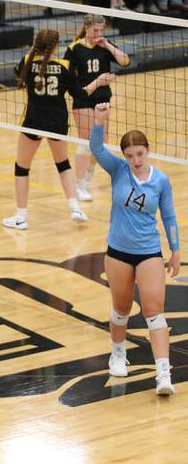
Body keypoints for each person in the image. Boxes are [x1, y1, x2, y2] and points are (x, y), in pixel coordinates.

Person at [90, 102, 180, 395]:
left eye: (139, 154)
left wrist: (175, 250)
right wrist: (99, 121)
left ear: (147, 151)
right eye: (130, 155)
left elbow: (168, 216)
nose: (135, 160)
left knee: (155, 312)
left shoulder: (160, 181)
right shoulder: (118, 170)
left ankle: (163, 375)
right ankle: (117, 354)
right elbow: (97, 149)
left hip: (149, 252)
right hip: (117, 252)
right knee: (122, 309)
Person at [1, 29, 114, 231]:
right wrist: (99, 81)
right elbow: (80, 94)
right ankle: (75, 208)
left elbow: (17, 74)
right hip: (57, 123)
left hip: (34, 121)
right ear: (54, 46)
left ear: (36, 44)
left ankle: (21, 217)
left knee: (22, 168)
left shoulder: (26, 61)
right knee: (63, 165)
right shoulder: (65, 66)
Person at [65, 14, 130, 202]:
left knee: (100, 144)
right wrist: (99, 81)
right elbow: (69, 83)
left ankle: (86, 180)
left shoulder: (104, 46)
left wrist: (108, 45)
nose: (99, 34)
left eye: (102, 30)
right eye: (95, 30)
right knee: (86, 142)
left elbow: (125, 61)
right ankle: (78, 186)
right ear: (86, 28)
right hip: (83, 98)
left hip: (103, 98)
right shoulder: (74, 49)